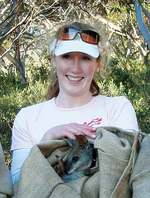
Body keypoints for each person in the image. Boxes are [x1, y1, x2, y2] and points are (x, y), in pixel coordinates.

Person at [10, 21, 139, 184]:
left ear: (97, 64)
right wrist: (46, 143)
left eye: (86, 58)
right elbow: (16, 184)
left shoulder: (118, 108)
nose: (76, 68)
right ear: (53, 59)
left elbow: (131, 170)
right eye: (66, 56)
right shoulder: (27, 117)